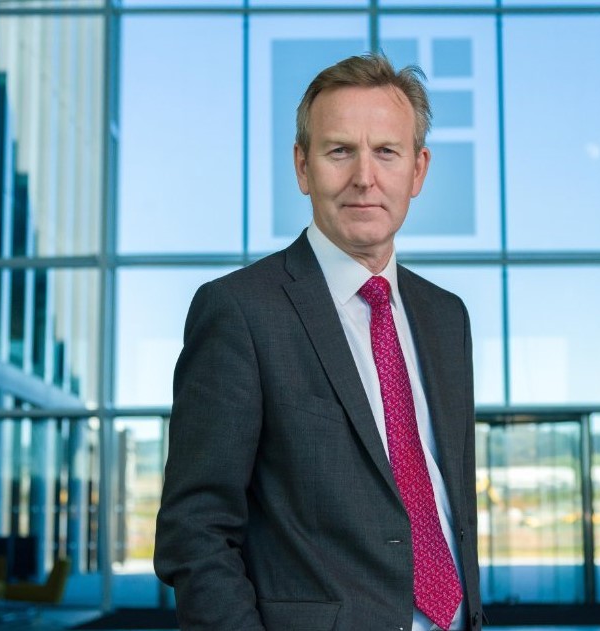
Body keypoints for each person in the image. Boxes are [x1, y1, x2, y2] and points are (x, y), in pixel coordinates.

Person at [154, 52, 482, 631]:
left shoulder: (446, 317)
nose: (364, 177)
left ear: (418, 170)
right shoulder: (240, 311)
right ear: (303, 167)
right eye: (340, 151)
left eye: (387, 152)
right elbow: (196, 530)